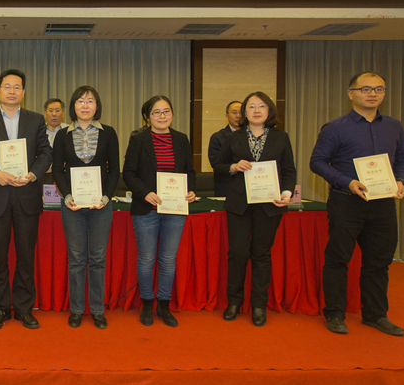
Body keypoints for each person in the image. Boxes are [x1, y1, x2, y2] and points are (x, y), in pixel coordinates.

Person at [310, 72, 404, 336]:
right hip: (346, 202)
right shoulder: (335, 127)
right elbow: (317, 162)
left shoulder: (394, 126)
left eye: (379, 89)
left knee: (379, 261)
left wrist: (401, 180)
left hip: (383, 204)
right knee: (338, 260)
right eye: (365, 89)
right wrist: (347, 182)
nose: (373, 94)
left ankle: (375, 315)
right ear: (351, 93)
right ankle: (334, 314)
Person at [0, 69, 52, 329]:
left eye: (17, 87)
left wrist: (33, 174)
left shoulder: (36, 120)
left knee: (26, 257)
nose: (12, 91)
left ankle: (24, 309)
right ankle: (1, 308)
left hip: (27, 196)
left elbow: (45, 153)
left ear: (23, 92)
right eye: (7, 86)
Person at [213, 91, 296, 327]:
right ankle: (234, 301)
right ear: (244, 112)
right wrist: (233, 167)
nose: (256, 110)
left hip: (270, 204)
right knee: (237, 254)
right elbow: (218, 166)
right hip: (239, 204)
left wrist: (286, 193)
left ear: (269, 111)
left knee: (261, 254)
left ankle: (259, 304)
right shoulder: (234, 137)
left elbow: (289, 170)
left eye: (262, 106)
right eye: (251, 106)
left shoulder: (281, 137)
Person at [123, 96, 196, 327]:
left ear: (172, 114)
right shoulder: (138, 140)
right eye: (156, 112)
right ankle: (147, 302)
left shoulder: (181, 139)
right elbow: (129, 174)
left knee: (168, 259)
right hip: (147, 209)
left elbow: (189, 172)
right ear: (147, 117)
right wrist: (145, 193)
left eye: (166, 111)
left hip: (174, 209)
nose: (162, 116)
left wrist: (191, 190)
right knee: (146, 259)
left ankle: (163, 304)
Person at [52, 86, 119, 329]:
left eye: (90, 101)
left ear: (97, 105)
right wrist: (67, 196)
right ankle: (77, 309)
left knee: (98, 258)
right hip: (72, 205)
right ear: (73, 106)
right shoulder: (62, 135)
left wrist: (106, 197)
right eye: (80, 101)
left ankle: (98, 310)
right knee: (76, 259)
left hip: (101, 206)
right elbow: (57, 169)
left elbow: (114, 169)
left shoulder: (108, 133)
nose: (85, 105)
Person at [208, 101, 241, 197]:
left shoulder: (252, 136)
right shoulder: (217, 137)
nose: (238, 116)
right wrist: (235, 166)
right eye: (234, 112)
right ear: (227, 116)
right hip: (226, 188)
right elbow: (216, 164)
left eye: (241, 113)